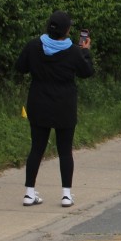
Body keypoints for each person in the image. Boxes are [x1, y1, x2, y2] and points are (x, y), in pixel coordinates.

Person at [15, 11, 95, 207]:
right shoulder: (74, 51)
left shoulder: (34, 45)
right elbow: (87, 72)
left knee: (37, 148)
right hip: (64, 105)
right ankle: (66, 195)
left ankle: (29, 193)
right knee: (65, 150)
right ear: (66, 30)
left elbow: (20, 67)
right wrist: (85, 51)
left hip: (38, 103)